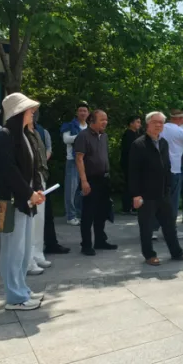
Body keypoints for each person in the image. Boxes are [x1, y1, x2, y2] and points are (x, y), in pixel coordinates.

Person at [0, 93, 47, 311]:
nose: (32, 113)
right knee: (13, 251)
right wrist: (28, 192)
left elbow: (31, 168)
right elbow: (9, 171)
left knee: (23, 251)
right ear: (19, 112)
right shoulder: (4, 136)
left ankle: (21, 289)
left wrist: (36, 190)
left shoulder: (24, 135)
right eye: (29, 110)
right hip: (13, 201)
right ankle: (15, 297)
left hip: (25, 201)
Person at [128, 112, 183, 266]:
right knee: (146, 227)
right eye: (155, 122)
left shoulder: (164, 142)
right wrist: (136, 195)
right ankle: (149, 255)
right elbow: (133, 171)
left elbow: (167, 166)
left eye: (161, 122)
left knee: (169, 225)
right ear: (148, 124)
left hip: (163, 192)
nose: (158, 125)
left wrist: (169, 186)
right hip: (146, 193)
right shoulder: (139, 144)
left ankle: (177, 253)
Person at [74, 109, 115, 256]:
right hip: (91, 179)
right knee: (88, 213)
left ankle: (100, 240)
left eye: (106, 119)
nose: (105, 122)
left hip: (104, 178)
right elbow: (79, 159)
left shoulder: (104, 136)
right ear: (92, 120)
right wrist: (84, 181)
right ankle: (86, 245)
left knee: (102, 212)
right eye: (102, 119)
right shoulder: (83, 136)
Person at [34, 118, 70, 256]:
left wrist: (44, 159)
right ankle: (33, 250)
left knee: (47, 213)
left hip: (42, 174)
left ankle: (51, 243)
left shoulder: (42, 131)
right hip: (29, 178)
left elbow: (48, 148)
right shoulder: (18, 132)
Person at [26, 111, 54, 275]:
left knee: (39, 219)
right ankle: (28, 259)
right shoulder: (19, 134)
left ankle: (37, 254)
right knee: (29, 221)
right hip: (27, 182)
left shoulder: (37, 132)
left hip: (39, 179)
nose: (33, 116)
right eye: (30, 113)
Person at [60, 103, 90, 225]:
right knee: (71, 189)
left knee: (82, 189)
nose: (83, 113)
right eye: (80, 110)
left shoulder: (89, 127)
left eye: (85, 111)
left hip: (86, 161)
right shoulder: (69, 125)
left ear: (88, 113)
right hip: (72, 160)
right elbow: (66, 139)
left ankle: (79, 214)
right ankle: (70, 216)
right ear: (77, 113)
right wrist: (82, 136)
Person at [119, 115, 141, 214]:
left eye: (140, 122)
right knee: (129, 185)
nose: (139, 124)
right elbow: (128, 150)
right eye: (137, 122)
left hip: (136, 164)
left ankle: (134, 206)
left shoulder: (137, 134)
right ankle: (127, 207)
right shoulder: (128, 134)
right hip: (129, 164)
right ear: (131, 123)